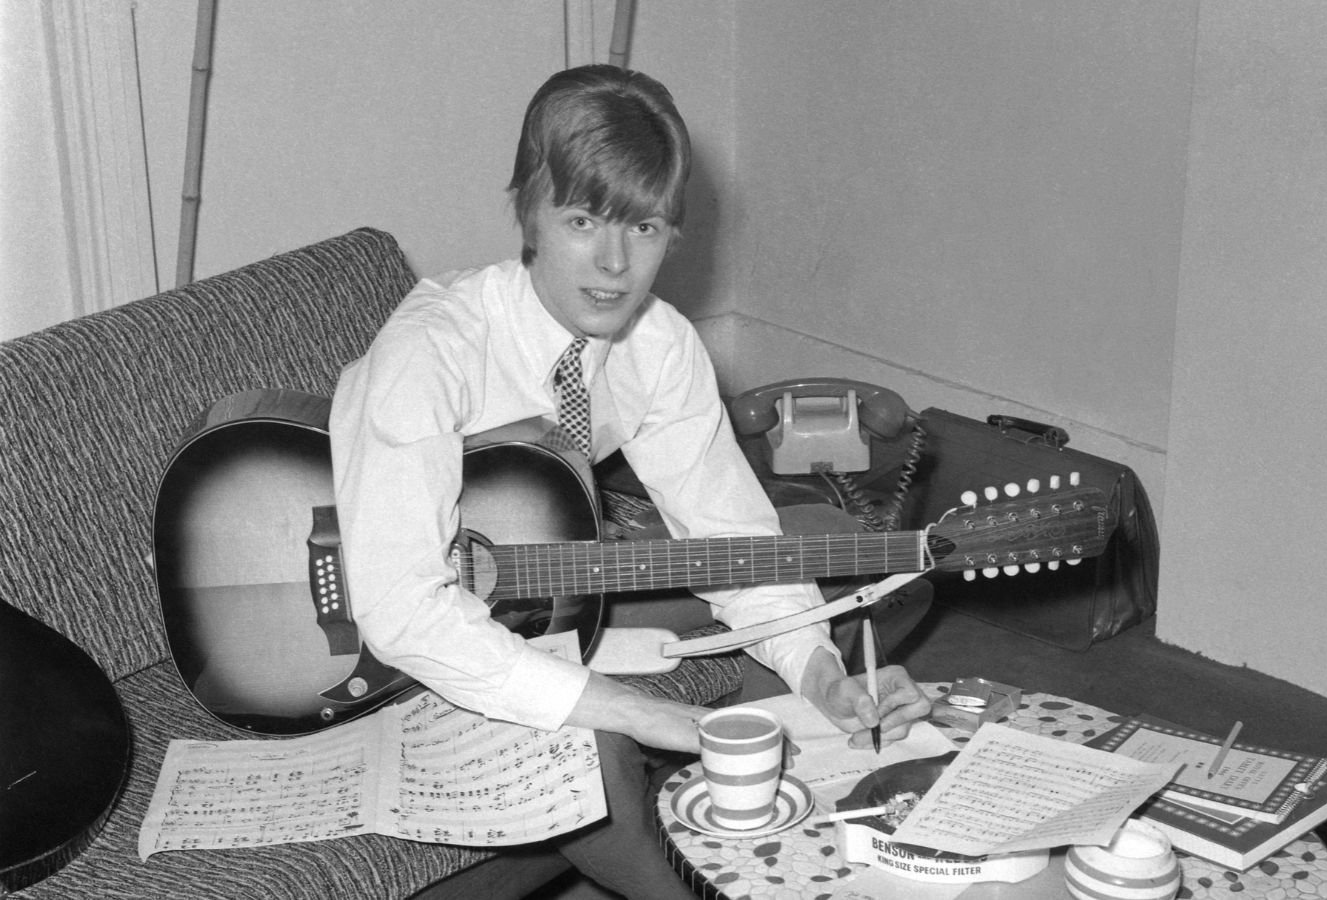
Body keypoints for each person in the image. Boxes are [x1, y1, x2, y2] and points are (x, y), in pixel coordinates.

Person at [328, 64, 931, 899]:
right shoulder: (432, 352)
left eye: (644, 228)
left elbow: (733, 541)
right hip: (384, 632)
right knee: (594, 746)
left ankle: (800, 836)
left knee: (832, 574)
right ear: (527, 211)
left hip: (543, 586)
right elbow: (398, 608)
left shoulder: (660, 346)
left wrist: (819, 672)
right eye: (582, 220)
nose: (613, 265)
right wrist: (639, 711)